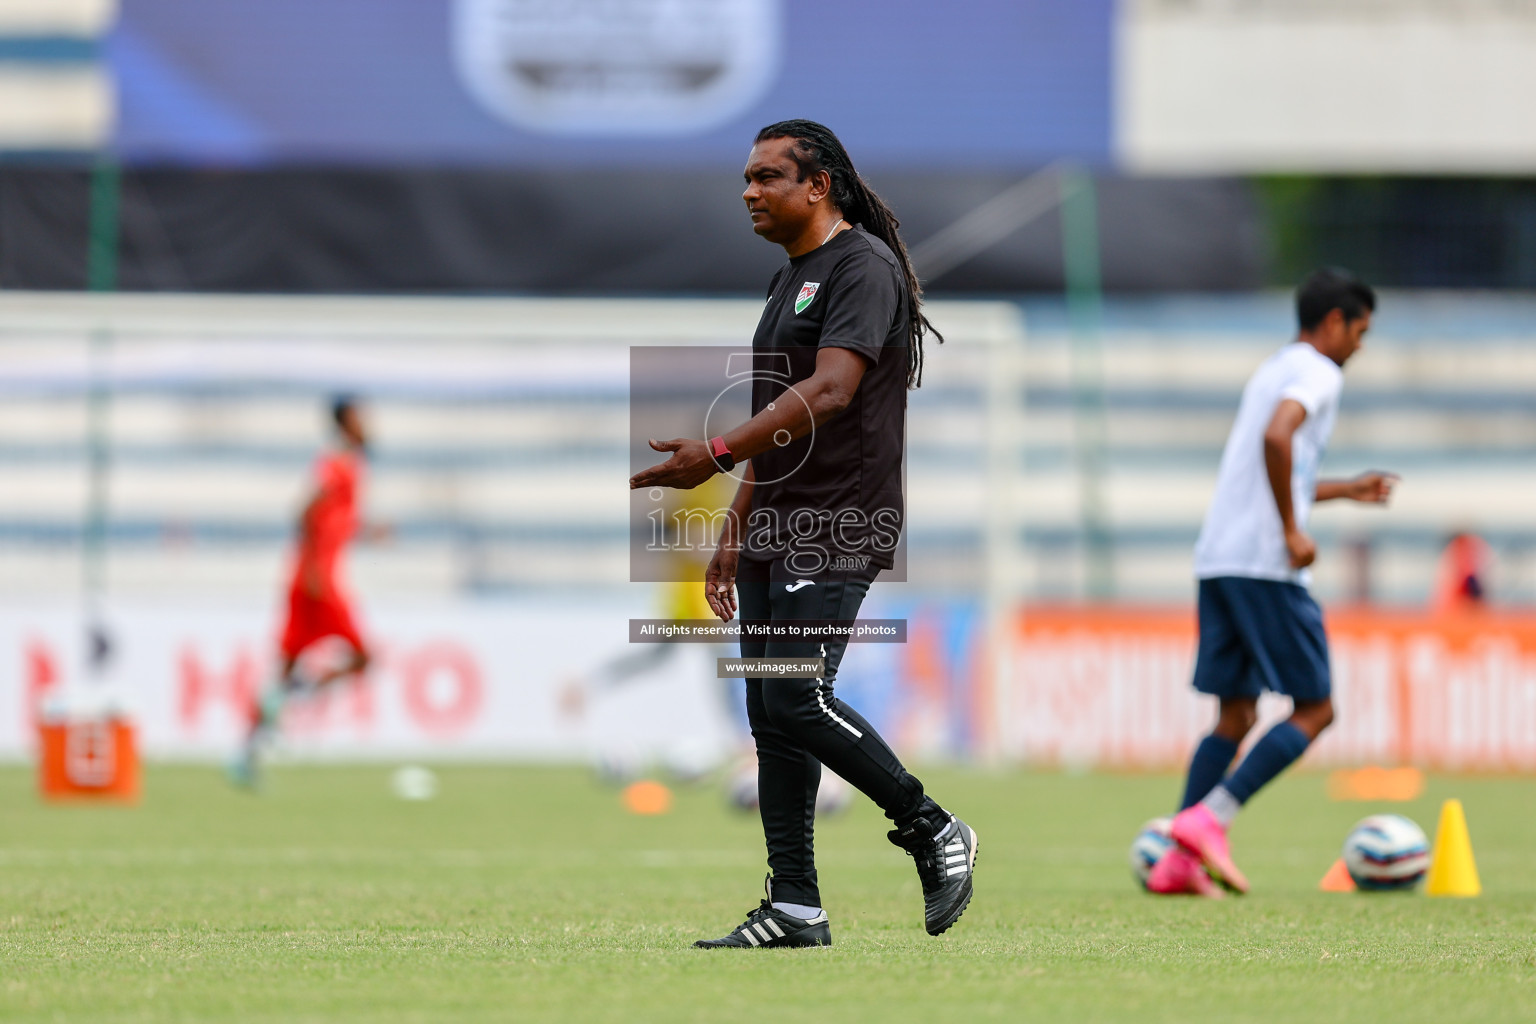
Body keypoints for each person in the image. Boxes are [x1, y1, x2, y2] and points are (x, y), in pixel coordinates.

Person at [629, 120, 976, 946]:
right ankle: (795, 904)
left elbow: (827, 395)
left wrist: (711, 456)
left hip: (837, 521)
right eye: (745, 178)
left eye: (766, 176)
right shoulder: (793, 279)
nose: (749, 190)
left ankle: (932, 826)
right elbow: (775, 421)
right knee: (769, 713)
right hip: (776, 526)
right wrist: (733, 529)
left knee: (797, 695)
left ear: (817, 185)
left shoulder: (862, 268)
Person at [1149, 268, 1398, 897]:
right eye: (1360, 332)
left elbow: (1272, 462)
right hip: (1265, 563)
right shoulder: (1319, 372)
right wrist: (1292, 531)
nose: (1359, 347)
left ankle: (1176, 862)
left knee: (1234, 712)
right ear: (1335, 321)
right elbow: (1277, 437)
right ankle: (1211, 820)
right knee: (1316, 707)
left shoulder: (1274, 367)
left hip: (1221, 557)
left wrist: (1346, 489)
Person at [231, 396, 378, 787]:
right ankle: (299, 691)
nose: (369, 425)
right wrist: (314, 566)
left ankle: (245, 755)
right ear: (347, 422)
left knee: (285, 667)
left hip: (309, 577)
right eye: (361, 418)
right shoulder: (338, 463)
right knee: (364, 658)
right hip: (320, 582)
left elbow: (332, 521)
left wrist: (366, 532)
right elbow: (304, 511)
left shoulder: (348, 465)